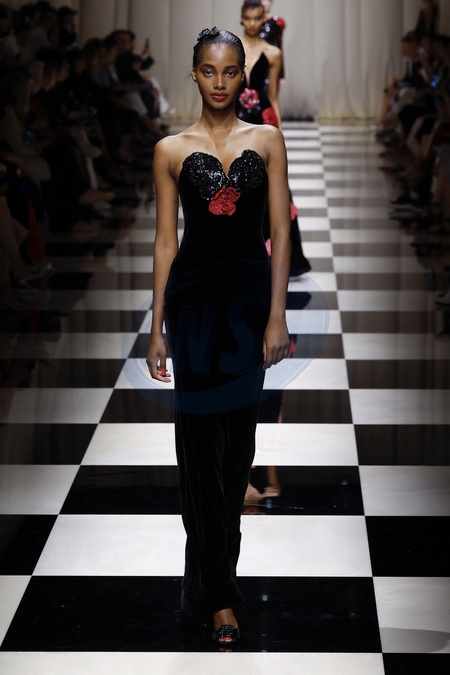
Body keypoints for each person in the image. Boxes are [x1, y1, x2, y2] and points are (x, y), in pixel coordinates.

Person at [146, 26, 291, 646]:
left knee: (236, 450)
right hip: (193, 308)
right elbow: (165, 241)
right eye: (209, 71)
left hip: (249, 305)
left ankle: (208, 584)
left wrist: (277, 315)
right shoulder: (170, 149)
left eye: (231, 71)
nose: (220, 82)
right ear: (194, 74)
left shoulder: (268, 140)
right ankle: (217, 595)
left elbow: (279, 232)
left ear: (243, 76)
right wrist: (156, 326)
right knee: (198, 449)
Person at [237, 0, 311, 276]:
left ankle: (282, 254)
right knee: (238, 182)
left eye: (257, 18)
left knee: (273, 184)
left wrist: (278, 132)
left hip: (263, 120)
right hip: (237, 120)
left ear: (263, 18)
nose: (252, 23)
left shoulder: (273, 53)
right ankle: (240, 251)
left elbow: (273, 97)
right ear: (241, 19)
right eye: (248, 18)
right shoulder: (231, 49)